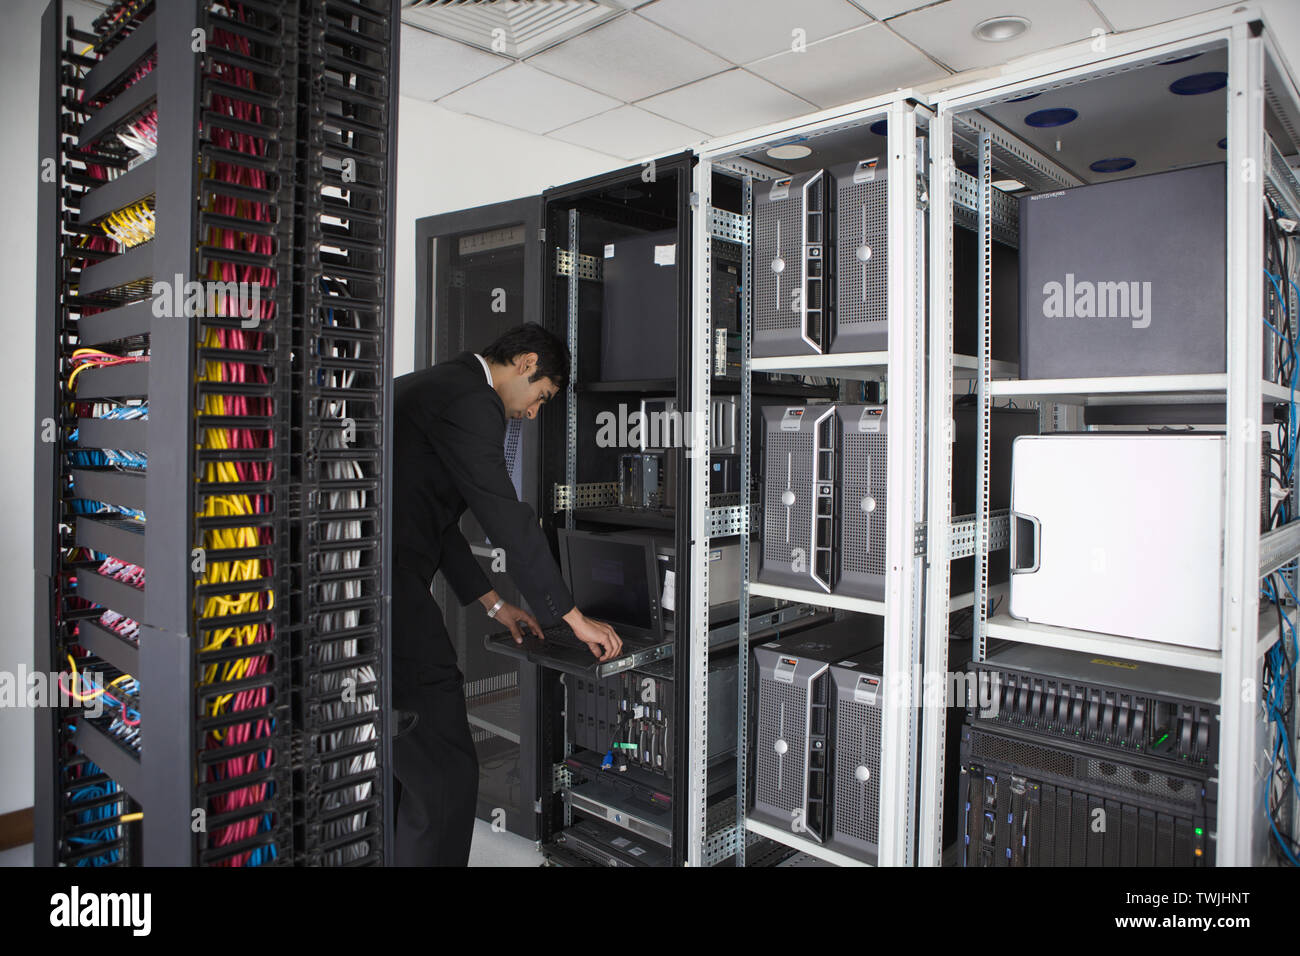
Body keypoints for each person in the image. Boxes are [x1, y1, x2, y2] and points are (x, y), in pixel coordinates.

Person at [391, 322, 622, 866]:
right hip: (387, 591)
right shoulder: (475, 401)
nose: (532, 412)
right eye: (540, 397)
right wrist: (571, 617)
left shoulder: (438, 385)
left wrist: (493, 603)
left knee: (412, 760)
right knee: (447, 772)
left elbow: (435, 521)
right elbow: (506, 518)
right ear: (523, 363)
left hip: (361, 584)